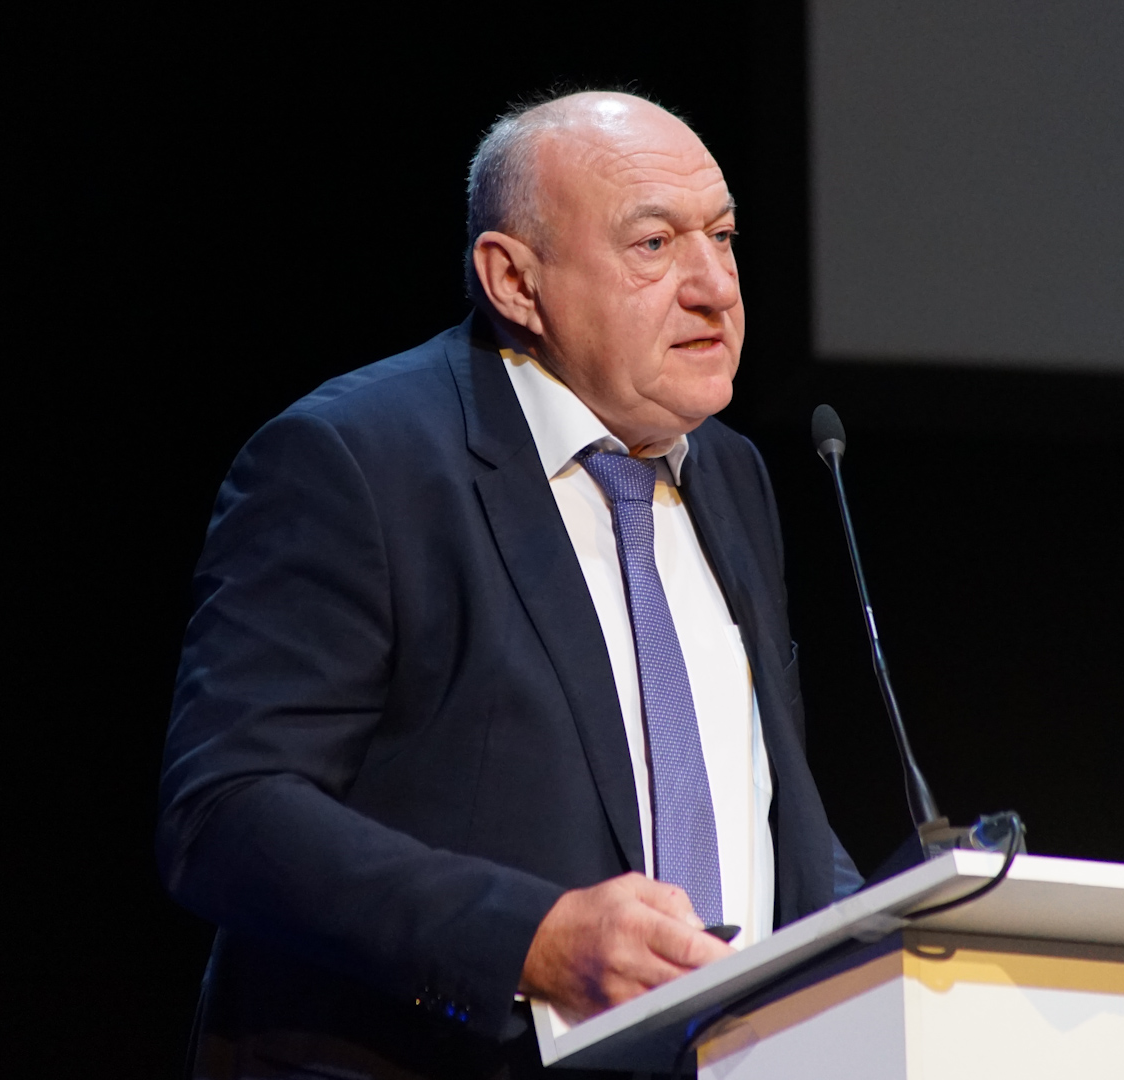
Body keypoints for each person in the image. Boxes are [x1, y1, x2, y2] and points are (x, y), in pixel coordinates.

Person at [157, 90, 860, 1080]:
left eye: (723, 236)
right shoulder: (359, 461)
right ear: (515, 280)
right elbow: (226, 815)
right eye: (654, 245)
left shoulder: (731, 473)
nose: (715, 286)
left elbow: (759, 804)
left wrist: (910, 938)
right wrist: (533, 940)